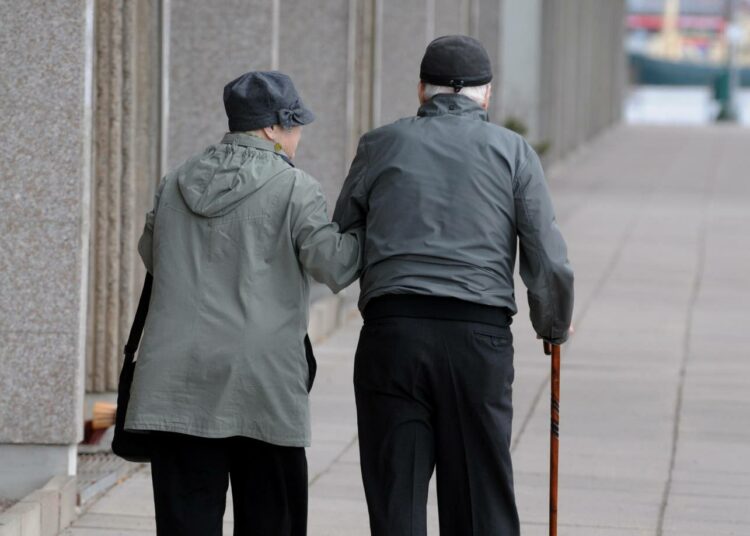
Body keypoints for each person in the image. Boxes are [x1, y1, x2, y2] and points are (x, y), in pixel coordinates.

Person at [333, 35, 574, 536]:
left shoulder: (380, 144)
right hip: (477, 337)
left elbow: (344, 235)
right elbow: (547, 255)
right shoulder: (514, 152)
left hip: (392, 332)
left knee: (395, 496)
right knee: (480, 498)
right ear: (486, 95)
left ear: (422, 90)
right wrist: (552, 325)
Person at [124, 71, 362, 536]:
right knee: (271, 520)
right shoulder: (295, 188)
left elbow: (153, 255)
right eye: (296, 127)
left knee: (185, 524)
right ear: (273, 127)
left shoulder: (175, 181)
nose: (298, 138)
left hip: (175, 381)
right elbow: (335, 267)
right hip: (262, 383)